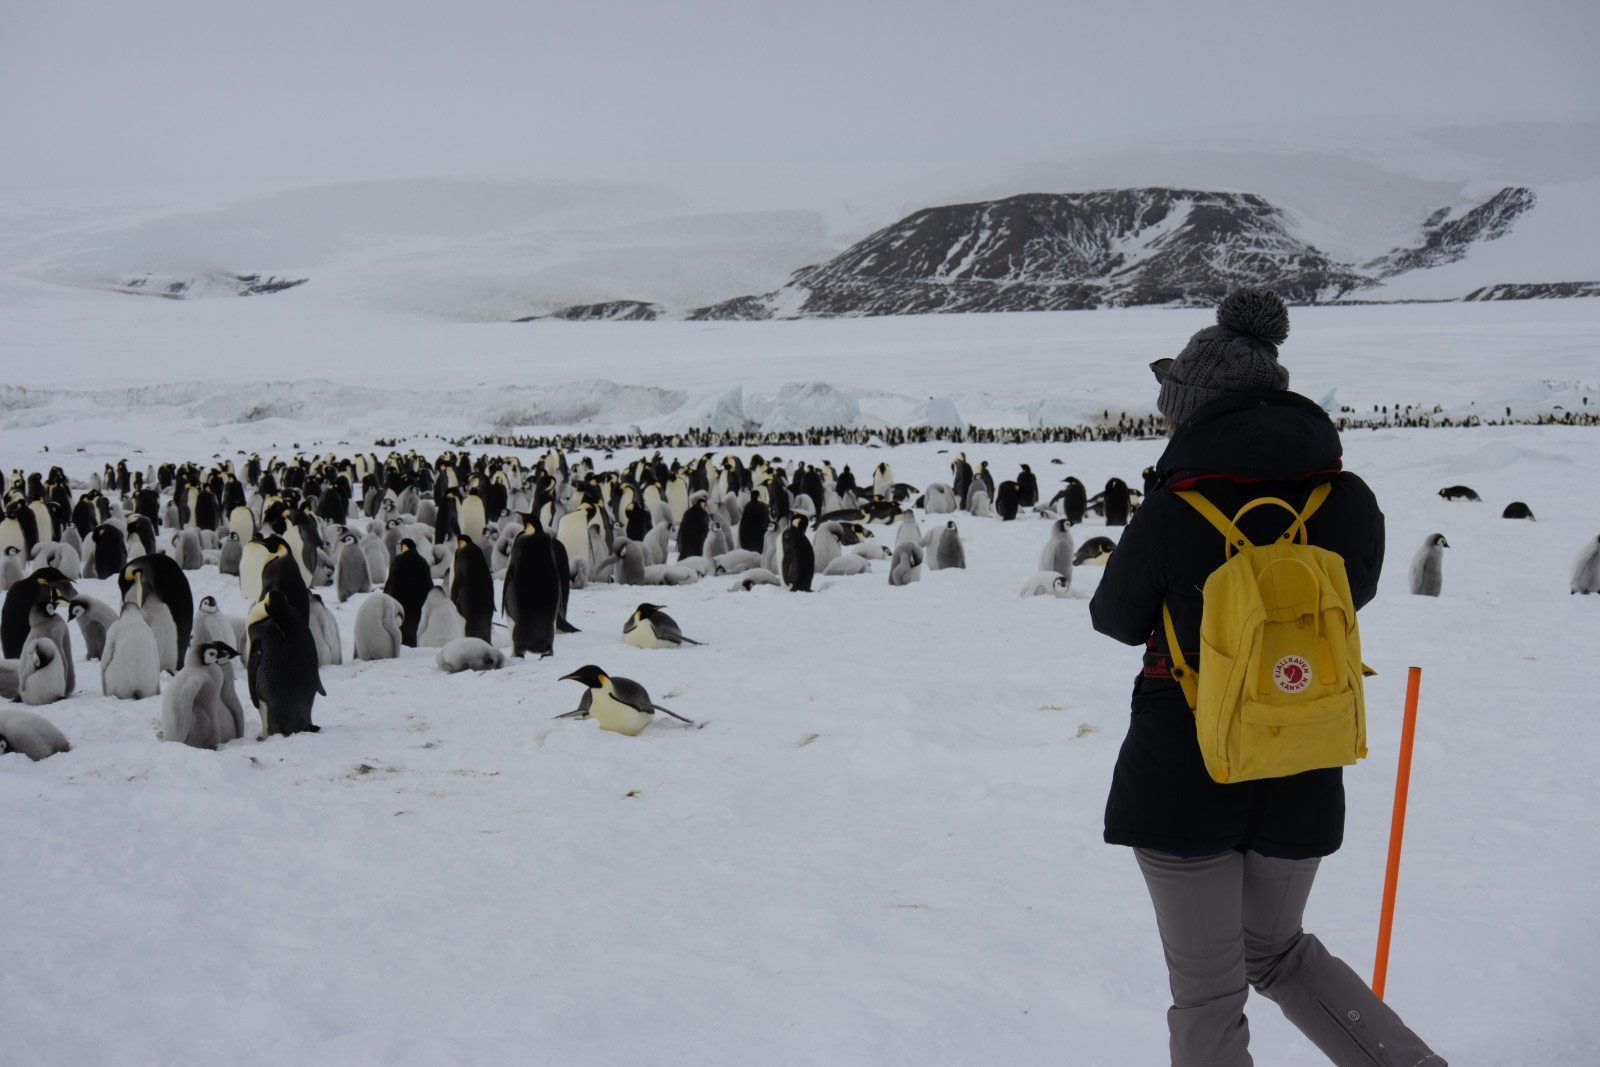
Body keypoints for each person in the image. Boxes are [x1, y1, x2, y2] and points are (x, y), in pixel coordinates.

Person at [1089, 288, 1446, 1066]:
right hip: (1304, 748)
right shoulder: (1346, 497)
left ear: (1192, 409)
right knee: (1277, 950)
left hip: (1184, 766)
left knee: (1210, 988)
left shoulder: (1176, 505)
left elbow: (1115, 618)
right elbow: (1358, 592)